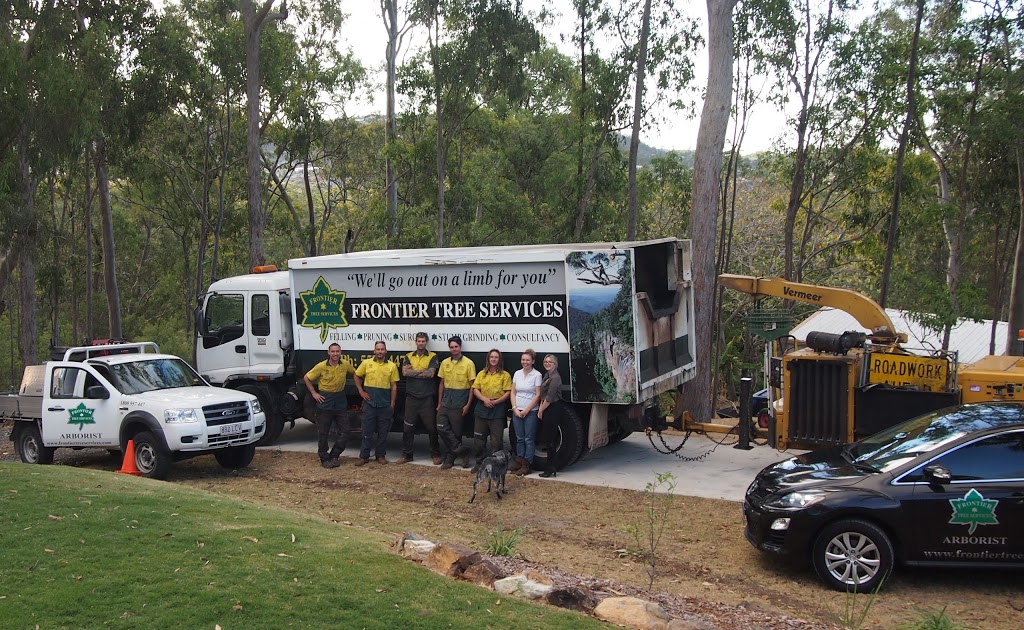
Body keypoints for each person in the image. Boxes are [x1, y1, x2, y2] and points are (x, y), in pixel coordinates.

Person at [303, 342, 355, 468]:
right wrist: (314, 393)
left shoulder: (345, 365)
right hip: (325, 400)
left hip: (340, 399)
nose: (335, 354)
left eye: (337, 351)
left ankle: (335, 455)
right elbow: (306, 378)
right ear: (328, 352)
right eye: (333, 351)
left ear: (340, 352)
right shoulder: (321, 366)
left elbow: (355, 374)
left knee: (345, 430)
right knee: (323, 432)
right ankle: (324, 458)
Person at [397, 332, 441, 465]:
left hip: (427, 398)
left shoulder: (433, 356)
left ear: (426, 342)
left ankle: (435, 453)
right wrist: (422, 371)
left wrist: (414, 372)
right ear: (415, 342)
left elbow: (431, 374)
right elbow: (405, 373)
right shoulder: (408, 356)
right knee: (408, 427)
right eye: (419, 341)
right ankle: (407, 454)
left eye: (423, 341)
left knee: (431, 428)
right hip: (411, 397)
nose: (421, 343)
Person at [353, 341, 399, 466]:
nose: (380, 351)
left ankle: (380, 456)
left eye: (382, 349)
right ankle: (364, 457)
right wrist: (361, 391)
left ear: (386, 351)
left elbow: (394, 386)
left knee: (383, 433)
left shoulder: (391, 366)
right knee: (367, 432)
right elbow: (356, 376)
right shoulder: (366, 363)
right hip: (370, 404)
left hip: (384, 405)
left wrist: (392, 403)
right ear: (374, 351)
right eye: (378, 349)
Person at [436, 335, 476, 469]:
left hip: (459, 402)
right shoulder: (445, 363)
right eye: (451, 347)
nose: (454, 349)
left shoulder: (468, 363)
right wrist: (439, 402)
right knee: (440, 427)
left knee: (456, 432)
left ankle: (450, 458)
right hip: (446, 401)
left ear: (460, 347)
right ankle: (463, 451)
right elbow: (441, 383)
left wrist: (468, 405)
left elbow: (472, 387)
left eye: (456, 347)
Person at [470, 349, 512, 471]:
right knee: (479, 439)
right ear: (488, 359)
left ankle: (495, 466)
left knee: (496, 441)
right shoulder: (482, 374)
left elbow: (508, 392)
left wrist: (496, 401)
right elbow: (475, 389)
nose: (494, 359)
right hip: (482, 407)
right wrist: (484, 399)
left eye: (496, 357)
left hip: (497, 408)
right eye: (492, 357)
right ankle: (479, 464)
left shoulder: (505, 375)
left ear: (499, 360)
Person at [509, 349, 543, 476]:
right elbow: (513, 392)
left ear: (533, 361)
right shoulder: (517, 374)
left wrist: (527, 410)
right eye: (523, 360)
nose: (525, 362)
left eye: (527, 360)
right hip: (517, 411)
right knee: (519, 438)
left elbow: (538, 394)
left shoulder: (537, 375)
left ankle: (527, 464)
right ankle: (519, 462)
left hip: (531, 411)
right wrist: (514, 408)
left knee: (529, 439)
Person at [537, 354, 565, 478]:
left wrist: (540, 410)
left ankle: (551, 467)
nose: (548, 363)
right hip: (547, 407)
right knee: (548, 439)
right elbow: (544, 395)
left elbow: (549, 397)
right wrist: (542, 407)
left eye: (550, 362)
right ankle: (550, 466)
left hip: (553, 408)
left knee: (551, 440)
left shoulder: (555, 378)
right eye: (546, 361)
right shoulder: (547, 376)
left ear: (555, 364)